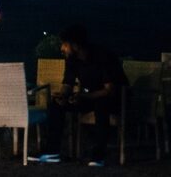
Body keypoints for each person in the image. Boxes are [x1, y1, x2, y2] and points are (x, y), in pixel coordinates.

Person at [38, 25, 128, 167]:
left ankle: (99, 156)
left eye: (65, 45)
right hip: (89, 96)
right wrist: (63, 95)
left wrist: (84, 96)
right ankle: (52, 152)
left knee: (101, 104)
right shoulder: (72, 59)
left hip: (115, 99)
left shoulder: (103, 56)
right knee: (56, 104)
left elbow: (109, 90)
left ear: (75, 45)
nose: (62, 48)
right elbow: (68, 82)